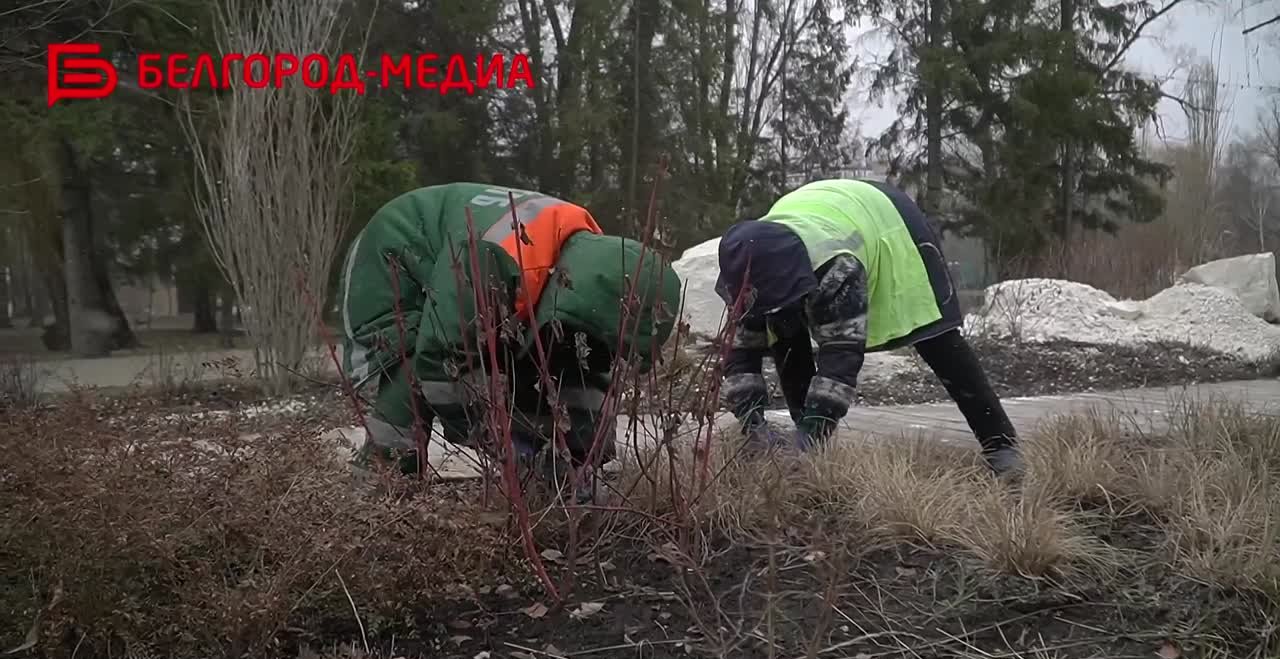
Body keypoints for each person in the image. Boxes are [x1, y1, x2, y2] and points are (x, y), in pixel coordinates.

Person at [338, 182, 683, 499]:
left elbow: (584, 365)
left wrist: (581, 451)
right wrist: (501, 439)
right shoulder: (490, 260)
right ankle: (377, 497)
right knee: (411, 374)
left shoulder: (594, 269)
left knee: (558, 350)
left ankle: (553, 485)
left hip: (487, 280)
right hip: (396, 260)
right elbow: (442, 364)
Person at [712, 178, 1022, 477]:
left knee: (935, 334)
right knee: (784, 329)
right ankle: (810, 447)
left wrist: (811, 434)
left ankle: (1000, 444)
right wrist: (752, 424)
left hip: (890, 220)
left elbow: (841, 356)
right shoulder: (745, 268)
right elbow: (741, 352)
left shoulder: (836, 267)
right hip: (822, 210)